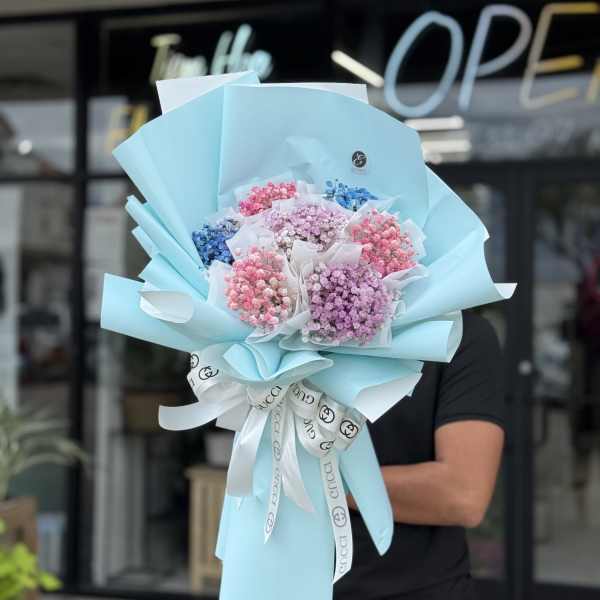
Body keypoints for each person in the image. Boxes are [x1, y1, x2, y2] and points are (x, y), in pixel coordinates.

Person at [334, 310, 505, 600]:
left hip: (413, 587)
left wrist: (316, 479)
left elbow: (463, 494)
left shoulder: (457, 334)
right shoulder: (279, 333)